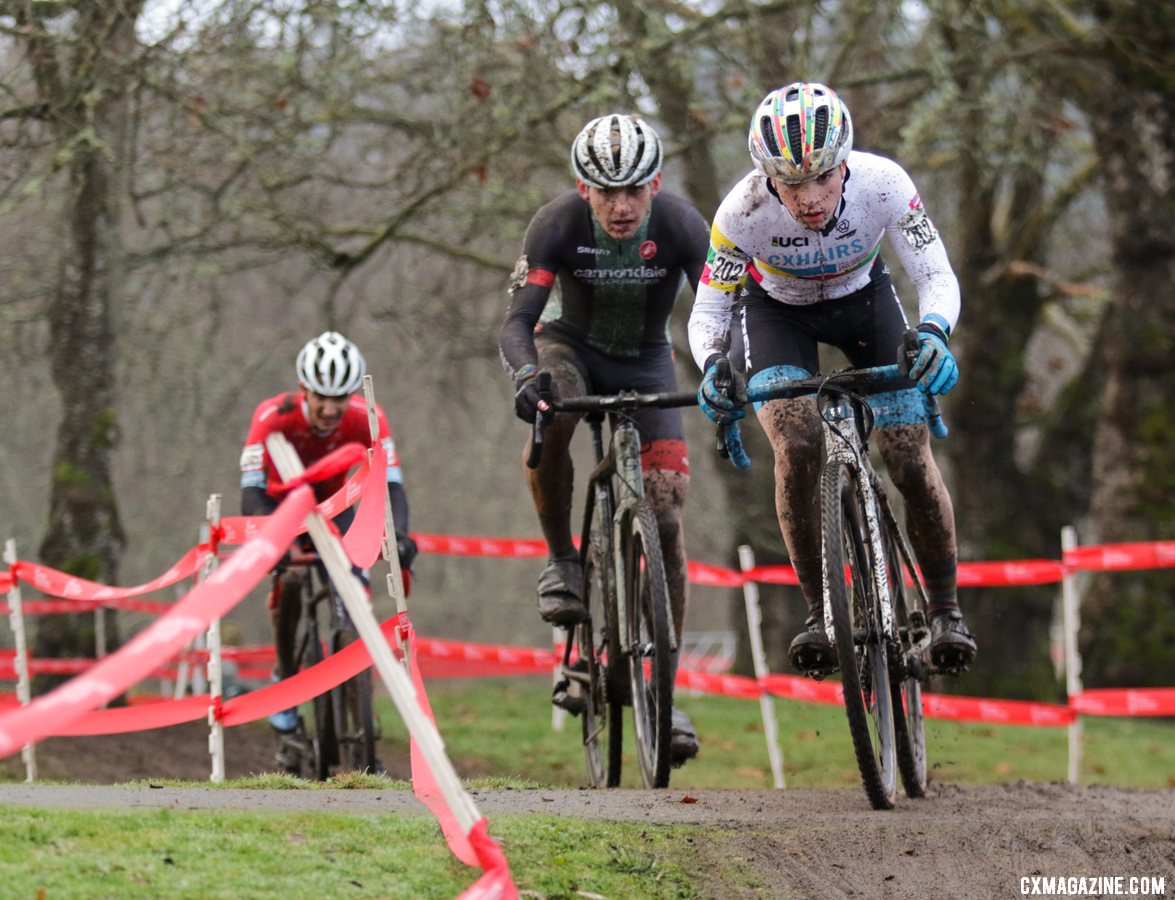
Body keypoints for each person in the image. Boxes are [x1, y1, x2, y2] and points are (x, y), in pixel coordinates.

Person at [688, 82, 977, 676]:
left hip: (864, 303)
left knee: (906, 451)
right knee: (794, 444)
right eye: (791, 183)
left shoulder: (885, 184)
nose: (810, 197)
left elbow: (936, 276)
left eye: (822, 177)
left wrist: (934, 333)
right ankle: (822, 611)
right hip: (776, 316)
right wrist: (716, 365)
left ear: (845, 163)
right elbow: (709, 313)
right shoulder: (740, 212)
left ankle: (945, 609)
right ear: (769, 178)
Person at [498, 113, 710, 763]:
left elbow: (718, 313)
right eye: (604, 191)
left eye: (634, 191)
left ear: (656, 184)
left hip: (647, 358)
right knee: (554, 410)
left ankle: (664, 690)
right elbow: (517, 321)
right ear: (580, 187)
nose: (620, 207)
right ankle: (563, 559)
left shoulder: (680, 226)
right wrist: (526, 376)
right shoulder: (556, 225)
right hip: (568, 347)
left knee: (667, 513)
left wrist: (725, 370)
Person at [239, 330, 417, 735]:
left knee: (354, 592)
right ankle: (285, 677)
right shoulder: (273, 415)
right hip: (279, 508)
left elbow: (391, 485)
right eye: (321, 396)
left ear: (352, 394)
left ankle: (359, 715)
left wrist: (400, 534)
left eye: (340, 398)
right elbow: (250, 492)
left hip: (335, 508)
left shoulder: (367, 417)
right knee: (293, 579)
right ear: (304, 389)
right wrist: (272, 541)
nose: (331, 408)